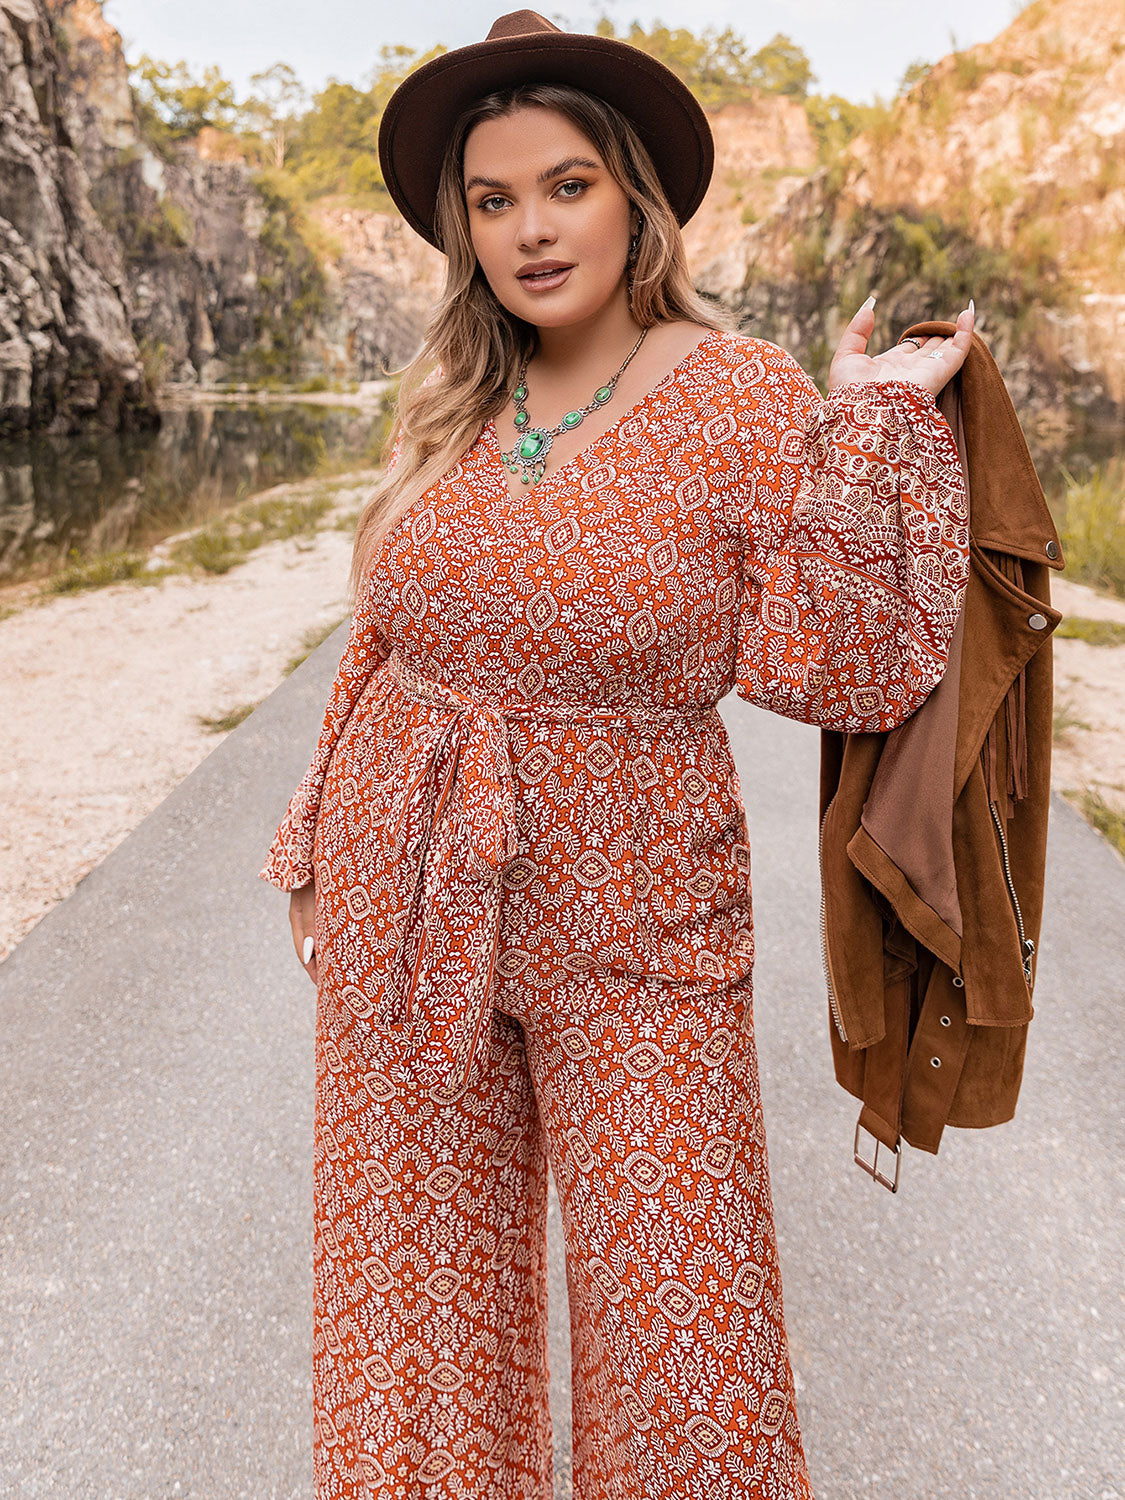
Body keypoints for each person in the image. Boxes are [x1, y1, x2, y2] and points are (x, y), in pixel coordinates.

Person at [258, 11, 972, 1497]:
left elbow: (839, 661)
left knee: (686, 1342)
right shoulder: (455, 398)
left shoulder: (740, 393)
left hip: (641, 903)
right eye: (493, 199)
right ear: (463, 229)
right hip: (406, 886)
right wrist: (314, 842)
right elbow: (383, 637)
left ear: (635, 198)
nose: (530, 229)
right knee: (411, 1314)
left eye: (566, 185)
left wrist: (873, 427)